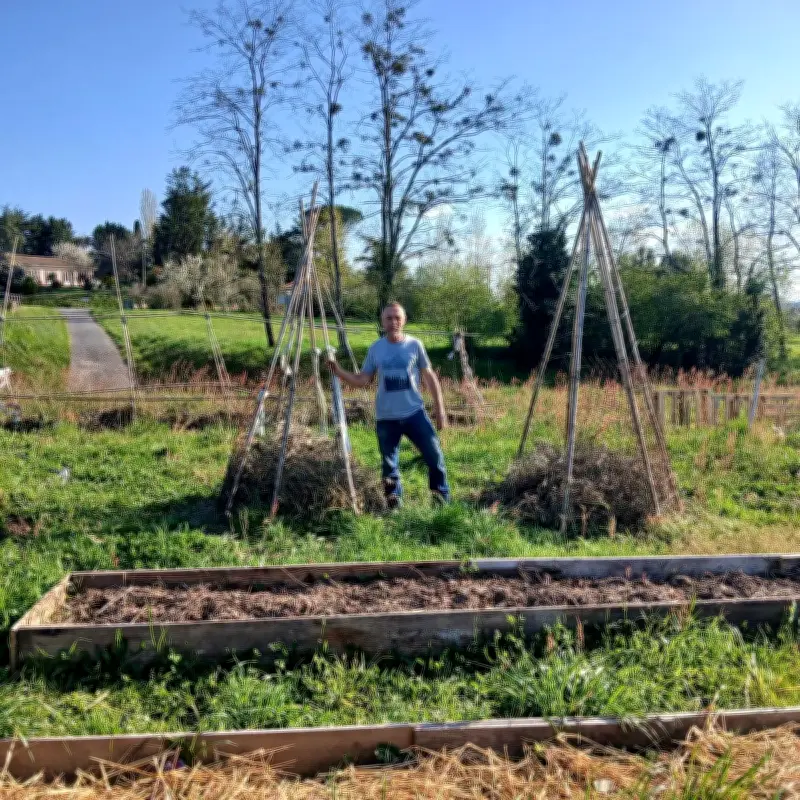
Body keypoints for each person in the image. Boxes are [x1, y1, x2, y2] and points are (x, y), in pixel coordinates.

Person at [327, 302, 450, 509]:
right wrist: (339, 372)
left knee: (434, 456)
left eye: (397, 318)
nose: (393, 322)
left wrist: (440, 411)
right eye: (389, 318)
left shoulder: (415, 345)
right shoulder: (376, 348)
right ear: (382, 321)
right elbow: (363, 379)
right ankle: (393, 503)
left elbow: (429, 377)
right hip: (386, 417)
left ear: (404, 320)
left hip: (414, 413)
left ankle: (441, 501)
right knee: (389, 464)